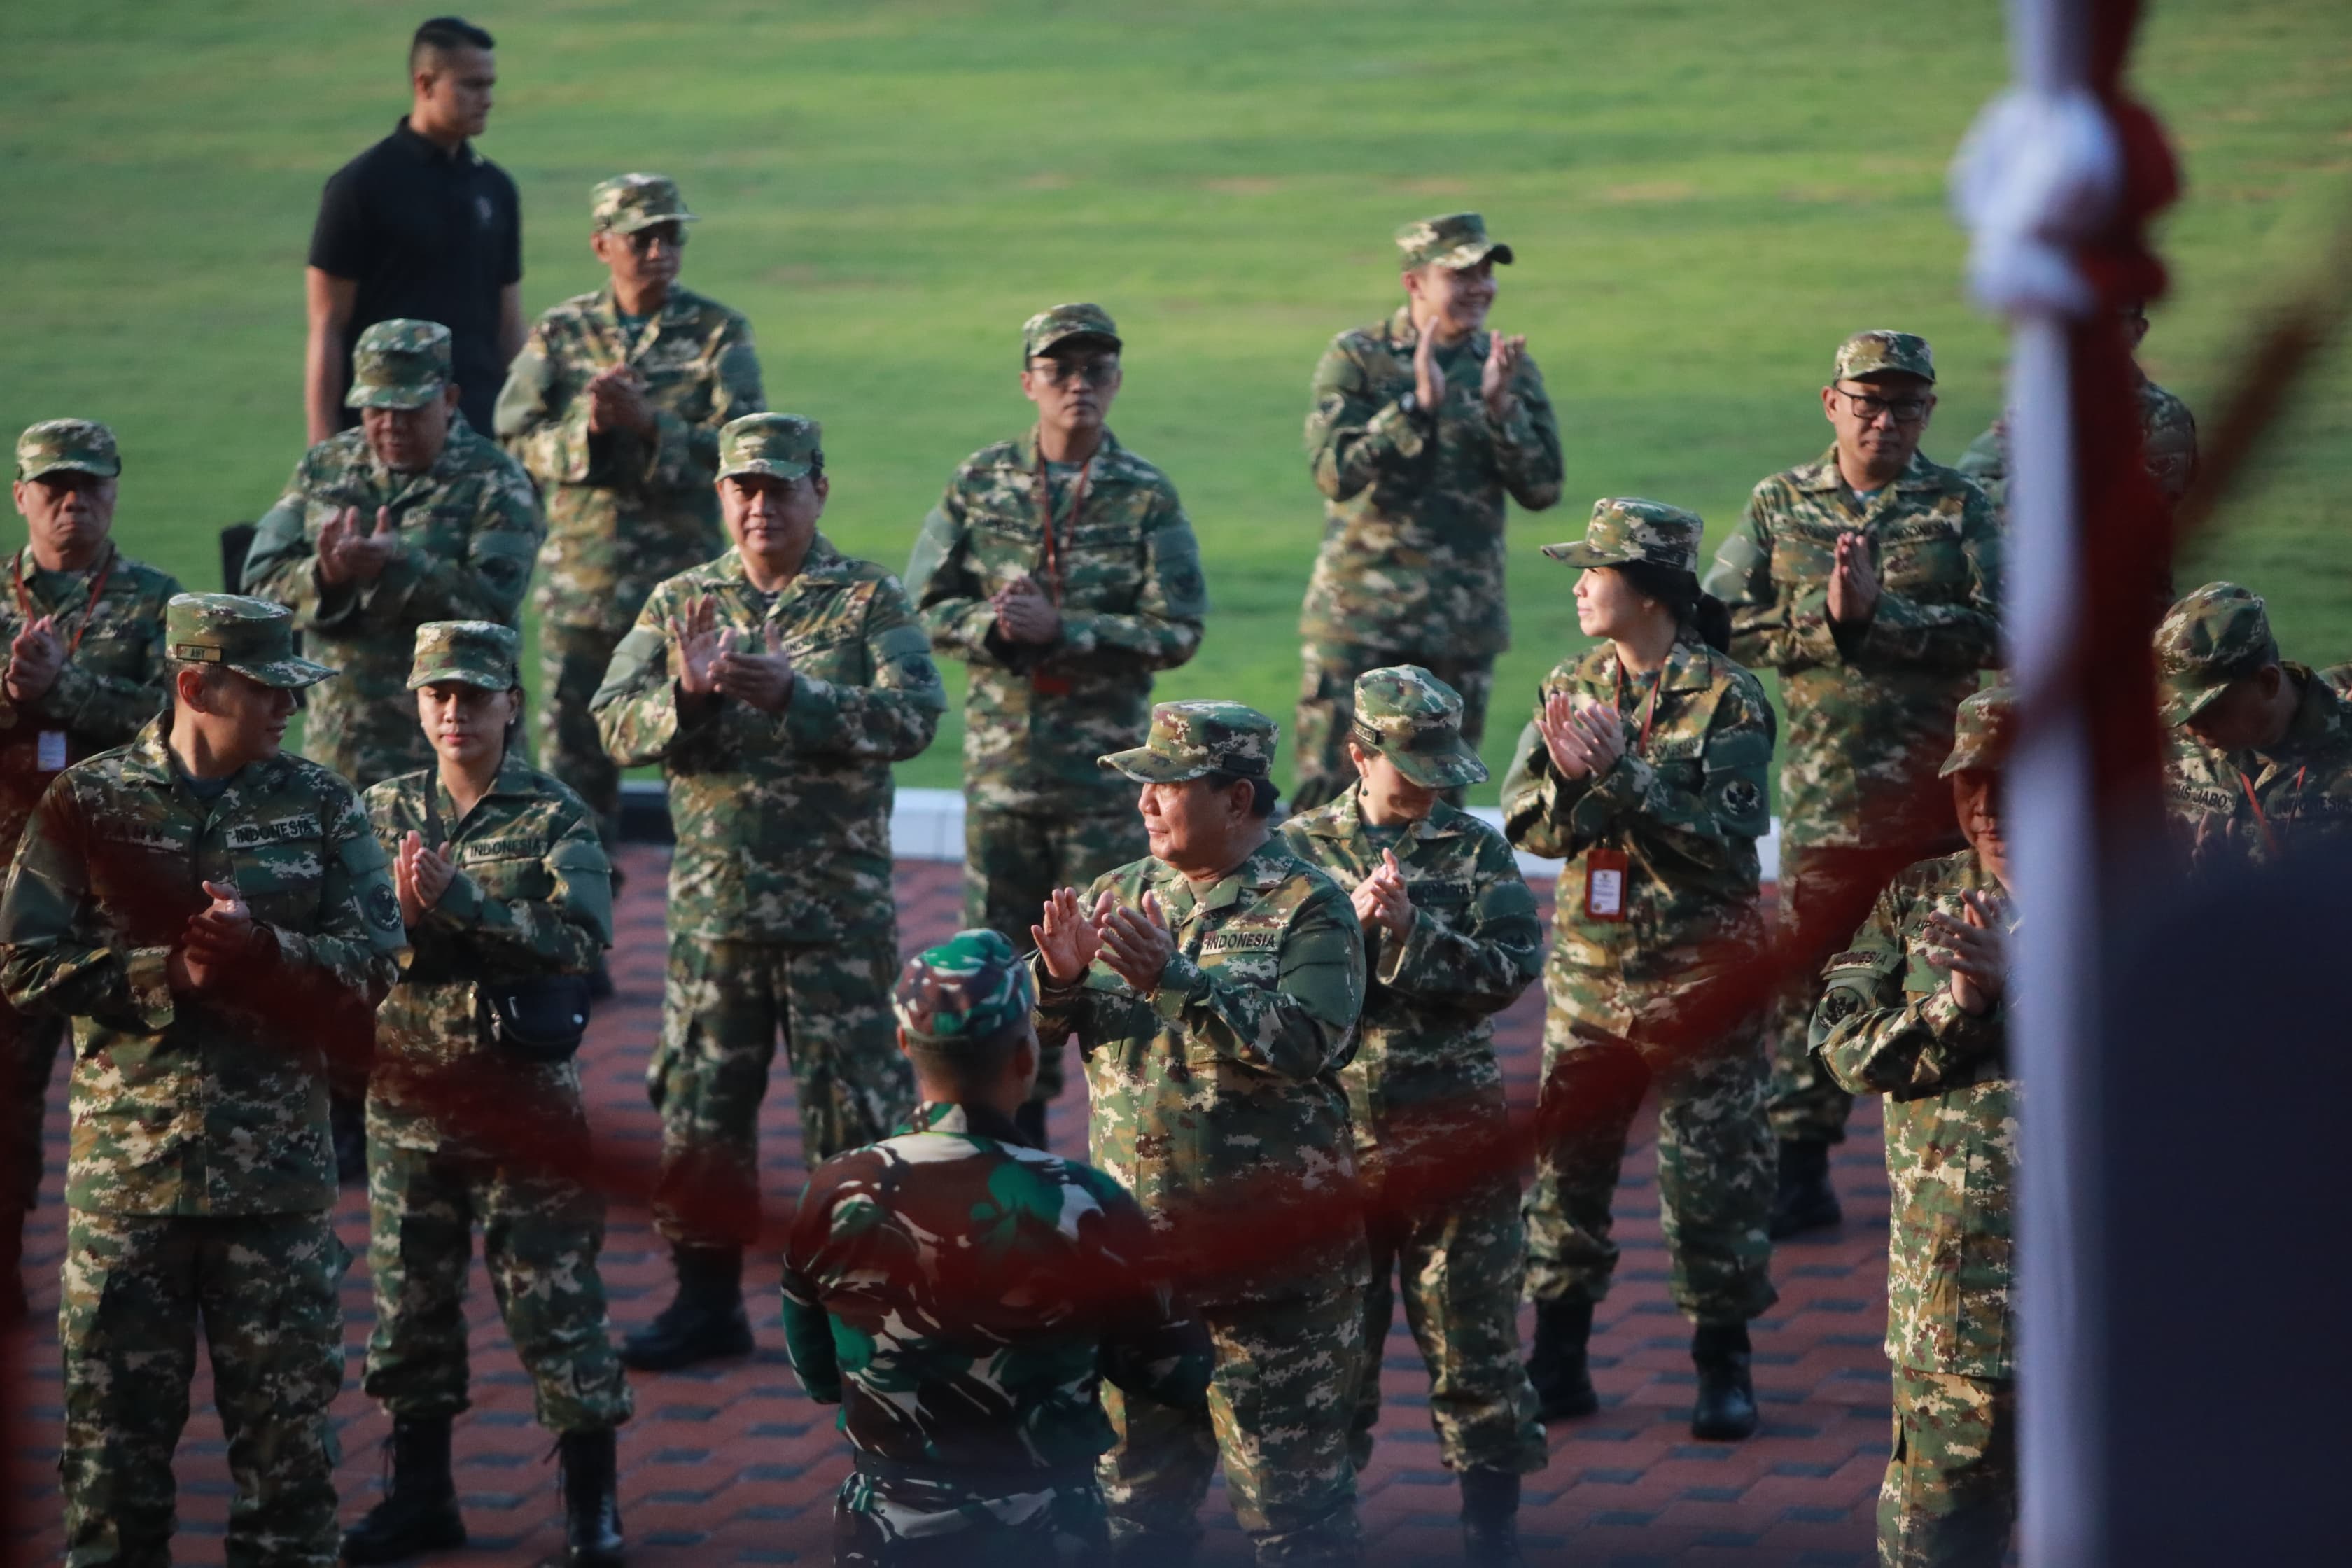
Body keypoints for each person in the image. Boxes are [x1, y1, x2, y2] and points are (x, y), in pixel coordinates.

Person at [0, 593, 405, 1566]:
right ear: (196, 684)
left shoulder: (320, 803)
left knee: (290, 1477)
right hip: (127, 1196)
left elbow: (380, 956)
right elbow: (20, 963)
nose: (289, 711)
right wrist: (167, 974)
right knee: (110, 1474)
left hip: (276, 1196)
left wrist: (267, 951)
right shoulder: (88, 803)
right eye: (269, 691)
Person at [594, 412, 937, 1370]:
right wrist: (690, 698)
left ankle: (862, 1306)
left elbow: (915, 716)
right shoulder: (681, 602)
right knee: (702, 1115)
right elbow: (614, 725)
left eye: (780, 487)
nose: (760, 505)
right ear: (720, 496)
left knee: (854, 1113)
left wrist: (798, 697)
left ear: (818, 491)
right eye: (743, 487)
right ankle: (705, 1303)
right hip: (716, 915)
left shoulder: (866, 597)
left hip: (836, 915)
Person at [1030, 701, 1368, 1566]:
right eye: (1143, 785)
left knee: (1294, 1516)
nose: (1146, 802)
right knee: (1134, 1507)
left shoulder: (1311, 903)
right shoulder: (1114, 894)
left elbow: (1309, 1041)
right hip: (1144, 1262)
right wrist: (1057, 984)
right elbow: (1035, 1042)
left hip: (1269, 1264)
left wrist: (1174, 978)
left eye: (1167, 784)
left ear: (1237, 798)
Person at [782, 929, 1214, 1568]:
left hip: (885, 1531)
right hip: (1044, 1530)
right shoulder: (1083, 1202)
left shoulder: (837, 1191)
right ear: (1024, 1058)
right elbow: (1174, 1374)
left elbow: (817, 1377)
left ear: (904, 1043)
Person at [340, 622, 629, 1567]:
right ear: (416, 704)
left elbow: (582, 942)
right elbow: (347, 942)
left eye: (474, 695)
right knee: (410, 1308)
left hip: (524, 1108)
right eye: (439, 696)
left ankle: (592, 1513)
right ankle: (421, 1496)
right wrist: (405, 922)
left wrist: (463, 906)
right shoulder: (379, 811)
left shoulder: (554, 817)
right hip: (410, 1107)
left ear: (513, 702)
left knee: (557, 1304)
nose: (456, 712)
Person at [1702, 330, 2001, 1240]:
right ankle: (1802, 1161)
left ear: (1929, 413)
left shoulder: (1960, 505)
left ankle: (1959, 1138)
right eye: (1867, 402)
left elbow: (2006, 631)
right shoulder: (1780, 503)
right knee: (1812, 974)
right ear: (1831, 405)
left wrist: (1888, 617)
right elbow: (1719, 626)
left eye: (1905, 404)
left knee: (1953, 959)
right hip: (1832, 794)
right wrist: (1829, 624)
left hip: (1943, 799)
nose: (1885, 420)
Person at [1502, 499, 1778, 1441]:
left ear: (1650, 591)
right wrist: (1578, 782)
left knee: (1712, 1176)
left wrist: (1622, 775)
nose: (1579, 584)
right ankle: (1560, 1357)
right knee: (1568, 1175)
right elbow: (1529, 827)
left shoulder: (1729, 697)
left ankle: (1723, 1363)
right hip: (1590, 977)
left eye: (1596, 569)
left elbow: (1725, 842)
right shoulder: (1571, 682)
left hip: (1702, 982)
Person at [904, 302, 1208, 1144]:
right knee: (1003, 979)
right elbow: (924, 606)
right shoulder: (982, 480)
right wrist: (997, 629)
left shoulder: (1144, 494)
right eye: (1061, 369)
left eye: (1097, 369)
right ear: (1028, 382)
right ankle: (1006, 1155)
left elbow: (1179, 627)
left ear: (1115, 381)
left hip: (1103, 786)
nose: (1080, 384)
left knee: (1109, 978)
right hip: (1004, 781)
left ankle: (1126, 1153)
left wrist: (1066, 631)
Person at [1279, 666, 1546, 1564]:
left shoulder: (1476, 849)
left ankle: (1492, 1536)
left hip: (1452, 1139)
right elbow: (1267, 990)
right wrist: (1350, 932)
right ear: (1360, 754)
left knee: (1477, 1354)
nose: (1434, 781)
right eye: (1412, 762)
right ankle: (1332, 1533)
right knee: (1332, 1365)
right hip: (1334, 1143)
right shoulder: (1297, 849)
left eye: (1442, 761)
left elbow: (1510, 970)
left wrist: (1409, 932)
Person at [496, 172, 766, 853]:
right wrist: (587, 427)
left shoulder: (716, 333)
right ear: (601, 244)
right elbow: (513, 436)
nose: (659, 250)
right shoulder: (562, 333)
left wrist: (652, 427)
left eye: (671, 236)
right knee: (575, 766)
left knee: (702, 747)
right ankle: (582, 923)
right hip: (581, 590)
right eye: (642, 237)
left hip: (686, 596)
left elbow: (747, 452)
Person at [1812, 686, 2021, 1567]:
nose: (1988, 806)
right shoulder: (1916, 899)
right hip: (1957, 1298)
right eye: (1970, 782)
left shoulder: (2140, 892)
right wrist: (1959, 1004)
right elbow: (1841, 1048)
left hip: (2114, 1294)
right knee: (1936, 1537)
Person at [0, 420, 182, 1321]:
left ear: (115, 491)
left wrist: (61, 692)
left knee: (139, 1095)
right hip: (12, 899)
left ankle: (139, 1282)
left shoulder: (157, 603)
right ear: (21, 496)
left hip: (121, 895)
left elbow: (180, 729)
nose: (74, 502)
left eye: (91, 486)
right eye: (55, 487)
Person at [1294, 212, 1564, 813]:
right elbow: (1334, 474)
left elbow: (1543, 488)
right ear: (1415, 282)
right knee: (1329, 797)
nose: (1480, 287)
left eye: (1487, 272)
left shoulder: (1506, 365)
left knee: (1439, 807)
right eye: (1461, 272)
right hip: (1359, 619)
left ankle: (1426, 912)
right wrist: (1413, 409)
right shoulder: (1358, 358)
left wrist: (1501, 411)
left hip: (1459, 623)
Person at [247, 317, 545, 793]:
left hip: (459, 756)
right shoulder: (325, 469)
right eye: (377, 408)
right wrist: (326, 576)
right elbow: (259, 585)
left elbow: (492, 606)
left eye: (410, 410)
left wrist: (400, 566)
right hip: (346, 747)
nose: (391, 425)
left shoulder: (497, 481)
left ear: (449, 400)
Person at [307, 15, 523, 442]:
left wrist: (527, 417)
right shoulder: (360, 186)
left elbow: (509, 322)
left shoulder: (495, 188)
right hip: (390, 430)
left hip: (481, 427)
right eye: (471, 85)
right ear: (425, 85)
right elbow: (328, 325)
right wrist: (323, 440)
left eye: (490, 84)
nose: (488, 98)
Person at [2156, 581, 2352, 870]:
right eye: (2180, 710)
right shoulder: (2168, 750)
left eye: (2209, 709)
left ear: (2267, 682)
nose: (2190, 728)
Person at [1958, 300, 2197, 522]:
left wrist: (2041, 463)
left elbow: (2139, 513)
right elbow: (1963, 498)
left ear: (2138, 331)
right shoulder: (2041, 408)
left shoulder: (2162, 416)